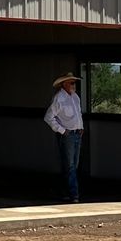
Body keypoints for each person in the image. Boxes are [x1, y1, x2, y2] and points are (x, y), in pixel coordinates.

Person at [43, 73, 85, 202]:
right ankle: (74, 195)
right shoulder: (59, 98)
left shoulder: (75, 97)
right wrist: (62, 130)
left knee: (73, 165)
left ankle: (63, 190)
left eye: (74, 83)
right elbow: (48, 117)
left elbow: (78, 114)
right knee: (71, 166)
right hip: (67, 135)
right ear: (64, 84)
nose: (73, 85)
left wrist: (81, 127)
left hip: (77, 133)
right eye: (71, 83)